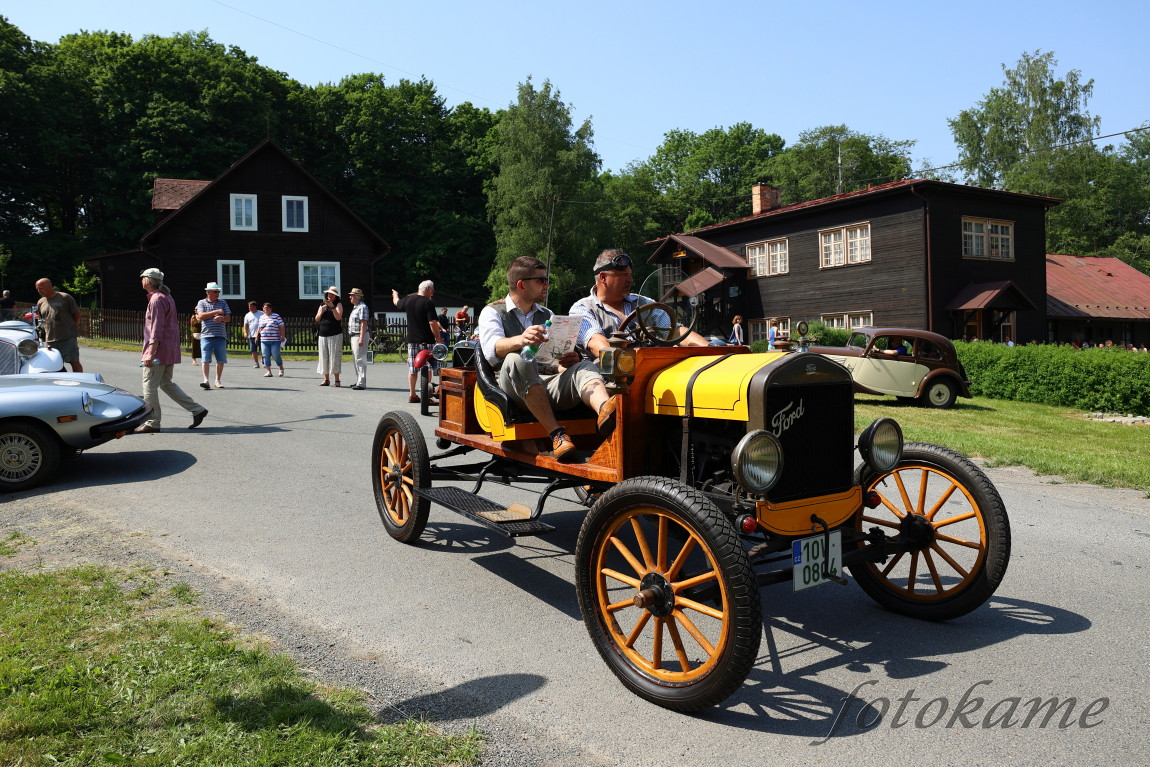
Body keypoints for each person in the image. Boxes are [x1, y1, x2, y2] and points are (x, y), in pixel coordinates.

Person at [478, 256, 616, 462]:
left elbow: (552, 359)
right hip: (512, 389)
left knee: (584, 365)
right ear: (521, 285)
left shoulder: (548, 314)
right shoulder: (492, 312)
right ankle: (557, 435)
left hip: (546, 383)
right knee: (517, 359)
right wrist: (521, 339)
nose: (547, 284)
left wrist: (565, 362)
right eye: (541, 280)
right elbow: (491, 351)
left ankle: (607, 412)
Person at [569, 250, 707, 361]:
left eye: (630, 274)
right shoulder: (582, 308)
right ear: (603, 278)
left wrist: (710, 348)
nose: (630, 279)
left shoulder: (644, 302)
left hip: (653, 370)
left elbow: (675, 331)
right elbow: (597, 343)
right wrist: (627, 361)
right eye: (623, 275)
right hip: (612, 380)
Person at [134, 268, 208, 434]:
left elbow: (156, 328)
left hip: (158, 351)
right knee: (165, 383)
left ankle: (152, 422)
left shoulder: (156, 300)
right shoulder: (166, 296)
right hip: (168, 349)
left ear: (147, 281)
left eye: (142, 278)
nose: (141, 281)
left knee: (149, 385)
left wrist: (150, 353)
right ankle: (197, 409)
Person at [392, 281, 441, 403]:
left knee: (413, 368)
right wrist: (439, 339)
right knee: (428, 367)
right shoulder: (428, 302)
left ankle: (412, 394)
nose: (433, 293)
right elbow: (432, 323)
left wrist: (395, 294)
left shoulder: (408, 300)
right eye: (432, 290)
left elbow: (396, 302)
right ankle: (427, 396)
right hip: (427, 341)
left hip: (412, 341)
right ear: (428, 289)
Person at [34, 278, 84, 372]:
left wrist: (72, 326)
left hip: (67, 337)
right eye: (37, 289)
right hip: (50, 339)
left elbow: (76, 314)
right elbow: (41, 320)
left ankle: (79, 381)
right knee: (53, 363)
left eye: (41, 288)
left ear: (49, 287)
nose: (39, 291)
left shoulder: (65, 297)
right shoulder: (41, 302)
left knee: (74, 361)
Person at [195, 282, 230, 389]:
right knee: (205, 359)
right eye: (215, 291)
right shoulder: (202, 302)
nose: (217, 293)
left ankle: (217, 380)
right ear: (208, 292)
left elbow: (228, 318)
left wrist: (222, 319)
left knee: (220, 360)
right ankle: (206, 380)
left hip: (220, 335)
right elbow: (200, 316)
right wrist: (216, 311)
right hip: (206, 335)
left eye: (218, 291)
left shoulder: (223, 302)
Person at [315, 286, 344, 387]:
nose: (329, 296)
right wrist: (322, 311)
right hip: (323, 335)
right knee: (324, 357)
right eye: (328, 294)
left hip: (335, 334)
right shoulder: (322, 304)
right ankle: (326, 379)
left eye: (331, 294)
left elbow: (338, 317)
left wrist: (332, 307)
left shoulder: (338, 304)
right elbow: (317, 319)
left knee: (334, 357)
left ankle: (337, 380)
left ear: (335, 296)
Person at [347, 288, 370, 390]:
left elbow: (363, 323)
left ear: (357, 297)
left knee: (360, 359)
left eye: (352, 295)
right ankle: (358, 381)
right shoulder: (356, 307)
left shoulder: (362, 307)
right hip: (354, 336)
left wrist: (361, 338)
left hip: (359, 335)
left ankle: (361, 383)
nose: (350, 297)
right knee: (356, 359)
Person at [256, 301, 285, 377]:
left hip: (275, 340)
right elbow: (259, 328)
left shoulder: (276, 316)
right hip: (264, 340)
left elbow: (281, 326)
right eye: (264, 308)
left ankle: (281, 368)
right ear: (262, 309)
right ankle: (269, 371)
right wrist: (256, 336)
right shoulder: (261, 317)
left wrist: (282, 336)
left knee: (276, 354)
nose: (266, 309)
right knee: (265, 355)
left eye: (267, 308)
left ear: (271, 309)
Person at [243, 301, 263, 367]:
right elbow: (245, 325)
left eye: (251, 306)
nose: (249, 307)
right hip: (252, 334)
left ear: (255, 306)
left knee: (263, 349)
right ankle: (256, 363)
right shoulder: (247, 315)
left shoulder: (261, 313)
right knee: (253, 350)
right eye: (249, 306)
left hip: (261, 334)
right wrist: (245, 332)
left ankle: (263, 360)